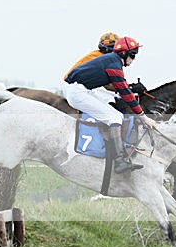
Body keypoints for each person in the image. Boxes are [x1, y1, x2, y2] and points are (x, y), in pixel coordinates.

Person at [64, 37, 158, 174]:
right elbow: (125, 93)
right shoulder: (114, 65)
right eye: (132, 55)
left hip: (81, 89)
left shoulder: (112, 61)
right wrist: (144, 117)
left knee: (116, 115)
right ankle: (119, 160)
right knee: (114, 118)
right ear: (124, 54)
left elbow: (121, 89)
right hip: (77, 92)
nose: (134, 59)